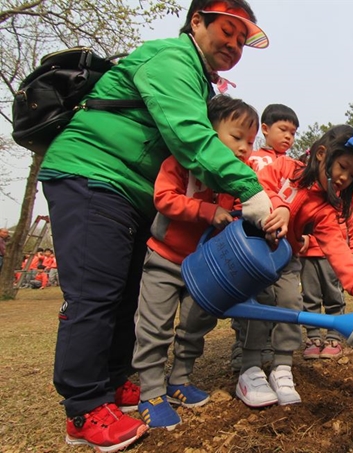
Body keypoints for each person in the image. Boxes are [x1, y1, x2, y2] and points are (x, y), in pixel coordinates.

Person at [37, 1, 273, 450]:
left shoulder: (201, 82)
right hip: (94, 175)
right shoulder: (170, 59)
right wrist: (251, 190)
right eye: (228, 31)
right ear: (197, 21)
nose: (235, 46)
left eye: (243, 41)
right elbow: (189, 136)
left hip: (130, 192)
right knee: (95, 293)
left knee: (127, 292)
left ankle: (114, 381)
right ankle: (84, 408)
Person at [235, 125, 353, 408]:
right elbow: (257, 182)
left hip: (284, 260)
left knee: (289, 303)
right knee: (258, 306)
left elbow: (338, 250)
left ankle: (282, 368)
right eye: (343, 167)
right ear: (322, 154)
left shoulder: (325, 209)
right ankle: (249, 369)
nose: (345, 178)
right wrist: (279, 205)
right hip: (251, 252)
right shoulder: (284, 167)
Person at [132, 94, 259, 430]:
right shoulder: (180, 162)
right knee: (154, 326)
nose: (245, 148)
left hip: (203, 269)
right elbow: (163, 198)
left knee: (194, 326)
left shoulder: (239, 177)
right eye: (236, 137)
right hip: (164, 258)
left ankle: (180, 379)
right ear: (207, 131)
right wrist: (208, 210)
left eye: (251, 141)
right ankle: (152, 393)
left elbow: (254, 202)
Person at [230, 102, 299, 372]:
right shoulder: (252, 157)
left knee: (280, 297)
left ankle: (271, 348)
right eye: (283, 129)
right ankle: (241, 348)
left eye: (293, 133)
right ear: (266, 129)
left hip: (279, 242)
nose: (288, 137)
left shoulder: (294, 166)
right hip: (250, 236)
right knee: (253, 294)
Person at [300, 208, 353, 360]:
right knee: (309, 296)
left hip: (335, 252)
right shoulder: (309, 189)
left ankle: (333, 338)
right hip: (307, 252)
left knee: (333, 296)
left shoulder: (345, 192)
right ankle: (313, 337)